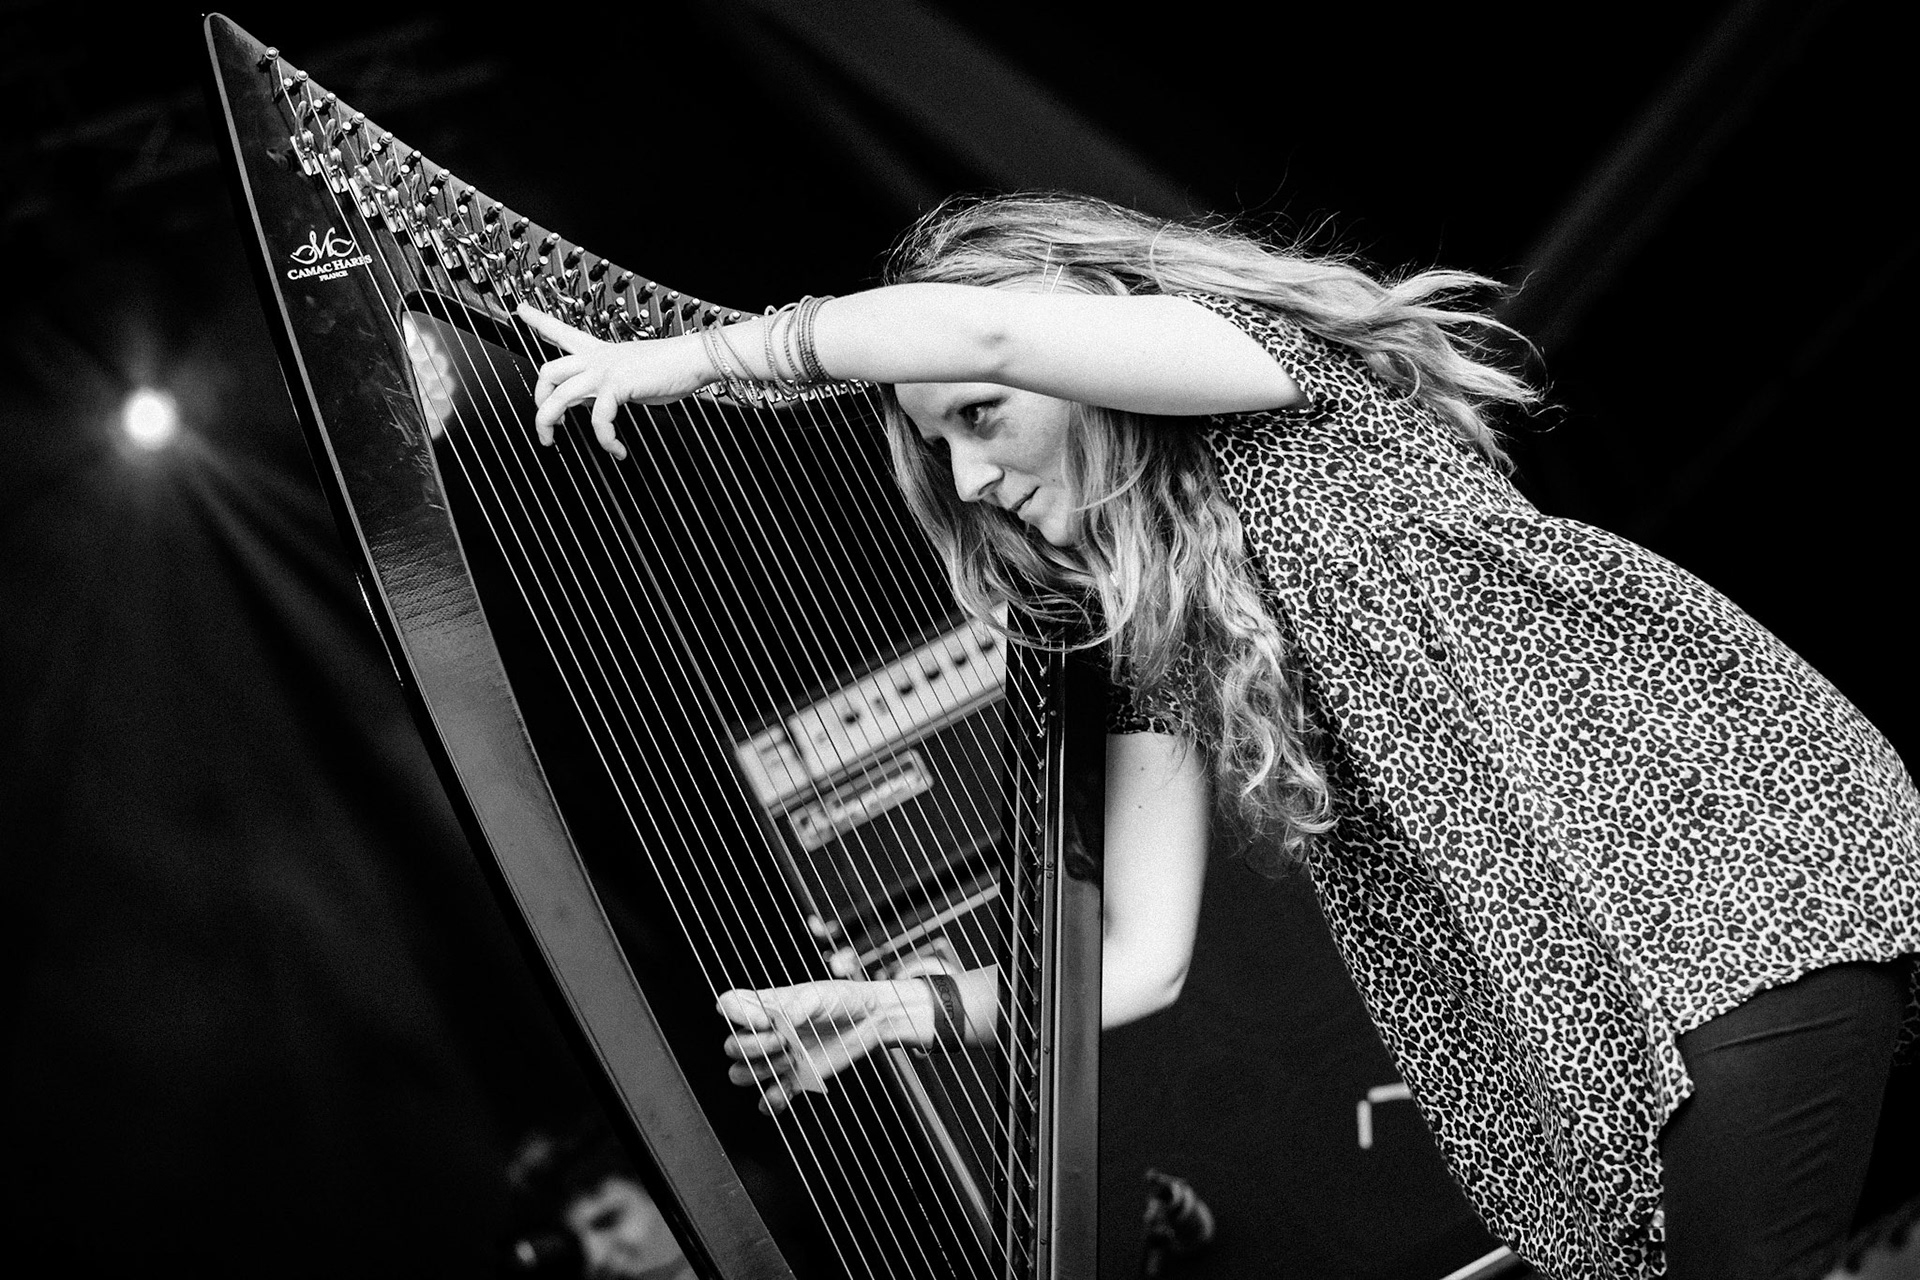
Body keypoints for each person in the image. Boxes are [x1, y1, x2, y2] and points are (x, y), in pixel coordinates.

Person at [518, 191, 1920, 1280]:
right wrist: (905, 1007)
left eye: (980, 421)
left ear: (1085, 344)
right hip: (1594, 994)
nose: (965, 475)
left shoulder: (1253, 369)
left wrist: (709, 358)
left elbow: (993, 327)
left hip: (1720, 869)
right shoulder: (1155, 632)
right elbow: (1137, 955)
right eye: (935, 445)